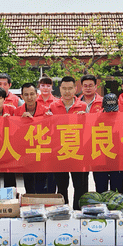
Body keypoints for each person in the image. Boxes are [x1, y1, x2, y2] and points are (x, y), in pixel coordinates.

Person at [46, 76, 89, 210]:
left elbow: (90, 129)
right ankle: (63, 211)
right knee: (62, 185)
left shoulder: (83, 106)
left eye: (70, 88)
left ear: (75, 89)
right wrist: (47, 119)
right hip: (60, 152)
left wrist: (86, 119)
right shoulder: (53, 106)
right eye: (64, 88)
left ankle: (78, 211)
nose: (67, 91)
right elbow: (47, 129)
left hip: (78, 152)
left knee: (80, 185)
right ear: (60, 89)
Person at [12, 82, 48, 194]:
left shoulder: (46, 111)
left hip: (42, 153)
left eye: (32, 94)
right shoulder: (17, 112)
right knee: (29, 185)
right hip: (26, 154)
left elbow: (51, 132)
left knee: (42, 185)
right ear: (21, 96)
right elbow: (14, 135)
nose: (29, 97)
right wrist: (21, 122)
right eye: (26, 95)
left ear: (37, 95)